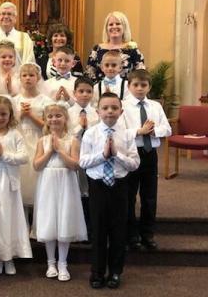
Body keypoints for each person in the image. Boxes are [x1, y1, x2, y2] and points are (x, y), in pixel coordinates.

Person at [80, 92, 140, 289]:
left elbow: (134, 164)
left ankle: (115, 272)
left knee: (118, 231)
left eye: (114, 108)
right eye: (105, 108)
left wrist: (117, 155)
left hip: (119, 186)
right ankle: (97, 272)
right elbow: (83, 161)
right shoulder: (90, 133)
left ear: (121, 111)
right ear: (97, 111)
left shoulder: (127, 135)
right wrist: (103, 155)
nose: (110, 112)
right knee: (98, 230)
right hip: (97, 186)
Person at [33, 103, 87, 282]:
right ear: (46, 120)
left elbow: (74, 165)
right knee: (49, 220)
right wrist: (50, 150)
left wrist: (60, 150)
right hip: (48, 183)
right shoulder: (42, 141)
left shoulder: (73, 140)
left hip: (66, 183)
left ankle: (63, 263)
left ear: (65, 119)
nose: (54, 119)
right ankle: (51, 262)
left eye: (58, 116)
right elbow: (37, 165)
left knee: (64, 220)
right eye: (50, 116)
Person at [0, 95, 32, 275]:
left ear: (10, 115)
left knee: (8, 217)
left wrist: (5, 156)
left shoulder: (15, 134)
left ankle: (8, 257)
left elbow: (24, 157)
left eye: (3, 114)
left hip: (9, 184)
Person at [122, 70, 171, 251]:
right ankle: (131, 235)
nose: (140, 88)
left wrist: (154, 131)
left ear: (149, 87)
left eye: (144, 85)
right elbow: (120, 132)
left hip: (150, 155)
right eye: (136, 85)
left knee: (149, 196)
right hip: (132, 153)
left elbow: (168, 129)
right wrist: (139, 131)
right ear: (129, 86)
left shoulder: (155, 107)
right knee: (129, 196)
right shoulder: (123, 106)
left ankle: (147, 234)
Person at [13, 63, 53, 210]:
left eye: (31, 75)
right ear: (20, 79)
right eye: (24, 75)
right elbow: (9, 124)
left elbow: (49, 126)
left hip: (37, 139)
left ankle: (37, 217)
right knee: (22, 178)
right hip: (20, 140)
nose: (28, 78)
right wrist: (21, 115)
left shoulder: (45, 101)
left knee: (36, 177)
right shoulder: (14, 100)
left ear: (38, 78)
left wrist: (30, 115)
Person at [67, 77, 99, 239]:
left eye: (88, 91)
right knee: (76, 189)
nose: (85, 95)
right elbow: (67, 134)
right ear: (74, 93)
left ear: (93, 94)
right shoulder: (68, 113)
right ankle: (76, 229)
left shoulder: (97, 113)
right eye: (81, 91)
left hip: (92, 155)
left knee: (90, 190)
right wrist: (81, 126)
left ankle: (90, 228)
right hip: (74, 155)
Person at [86, 11, 145, 82]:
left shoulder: (132, 49)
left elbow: (140, 74)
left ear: (124, 27)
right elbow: (89, 74)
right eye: (111, 24)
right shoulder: (97, 49)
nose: (114, 26)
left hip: (125, 91)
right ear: (106, 28)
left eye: (118, 24)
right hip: (100, 90)